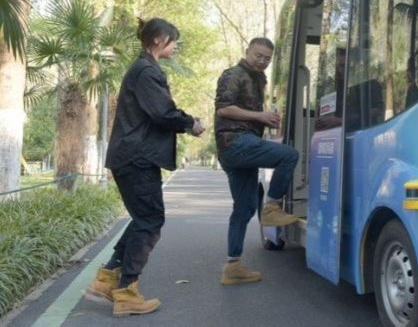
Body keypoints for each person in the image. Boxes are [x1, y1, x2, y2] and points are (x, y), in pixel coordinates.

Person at [87, 18, 204, 317]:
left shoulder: (143, 69)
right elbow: (163, 114)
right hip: (137, 157)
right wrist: (191, 123)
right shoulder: (147, 72)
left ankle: (109, 277)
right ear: (158, 40)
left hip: (132, 156)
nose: (176, 46)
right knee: (150, 220)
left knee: (144, 218)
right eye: (173, 41)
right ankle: (127, 292)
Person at [214, 37, 299, 285]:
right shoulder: (233, 74)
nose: (261, 60)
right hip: (236, 143)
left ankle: (233, 266)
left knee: (244, 209)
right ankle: (272, 207)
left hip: (242, 146)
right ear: (247, 51)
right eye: (258, 55)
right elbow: (224, 109)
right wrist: (261, 116)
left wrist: (266, 120)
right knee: (289, 154)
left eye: (266, 58)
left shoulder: (257, 78)